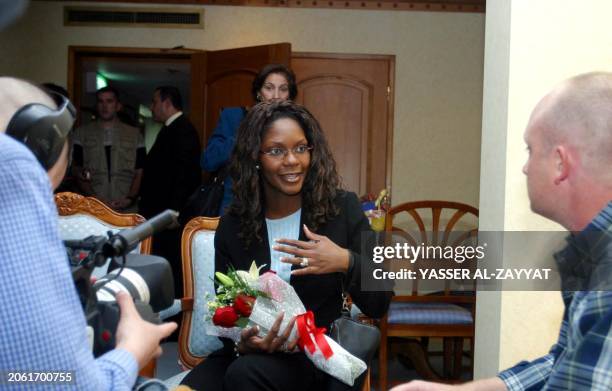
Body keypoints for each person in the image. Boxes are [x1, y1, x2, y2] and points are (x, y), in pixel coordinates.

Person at [391, 72, 612, 391]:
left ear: (561, 164)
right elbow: (563, 363)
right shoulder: (592, 254)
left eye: (530, 150)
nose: (525, 167)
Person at [181, 101, 392, 390]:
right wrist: (245, 340)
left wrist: (346, 260)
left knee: (244, 375)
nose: (292, 160)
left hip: (320, 358)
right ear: (256, 156)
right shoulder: (233, 224)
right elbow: (226, 311)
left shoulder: (343, 208)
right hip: (253, 354)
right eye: (277, 150)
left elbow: (380, 301)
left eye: (301, 148)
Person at [0, 77, 177, 390]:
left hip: (125, 200)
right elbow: (53, 381)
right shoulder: (21, 169)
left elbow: (139, 170)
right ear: (42, 145)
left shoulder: (132, 135)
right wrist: (132, 350)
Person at [201, 63, 298, 215]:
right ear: (259, 92)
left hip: (278, 210)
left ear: (290, 96)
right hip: (233, 209)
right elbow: (208, 161)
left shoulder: (296, 126)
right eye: (269, 88)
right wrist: (247, 132)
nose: (276, 95)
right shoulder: (233, 117)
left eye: (283, 89)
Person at [140, 85, 201, 298]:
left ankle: (171, 308)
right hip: (160, 213)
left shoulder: (183, 129)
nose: (152, 107)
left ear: (167, 102)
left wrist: (175, 210)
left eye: (155, 102)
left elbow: (186, 173)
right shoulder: (170, 128)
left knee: (170, 265)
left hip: (169, 216)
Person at [72, 86, 145, 211]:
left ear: (118, 105)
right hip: (94, 206)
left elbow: (140, 171)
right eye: (101, 101)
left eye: (109, 101)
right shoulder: (81, 133)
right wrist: (94, 198)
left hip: (126, 206)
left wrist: (130, 198)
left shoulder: (134, 134)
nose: (104, 106)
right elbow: (77, 168)